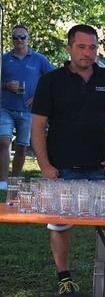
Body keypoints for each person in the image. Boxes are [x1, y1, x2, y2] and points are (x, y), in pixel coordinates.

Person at [31, 24, 105, 296]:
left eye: (93, 47)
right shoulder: (51, 81)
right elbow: (37, 127)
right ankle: (64, 277)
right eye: (82, 47)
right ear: (69, 48)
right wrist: (45, 166)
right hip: (62, 168)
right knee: (60, 224)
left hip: (101, 168)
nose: (88, 53)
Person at [0, 24, 53, 187]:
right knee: (3, 142)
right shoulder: (4, 59)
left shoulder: (39, 59)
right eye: (15, 37)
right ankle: (2, 183)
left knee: (22, 147)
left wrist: (38, 97)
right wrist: (6, 85)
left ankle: (14, 181)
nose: (19, 40)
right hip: (5, 108)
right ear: (12, 40)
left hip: (29, 111)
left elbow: (52, 80)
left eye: (22, 37)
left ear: (28, 39)